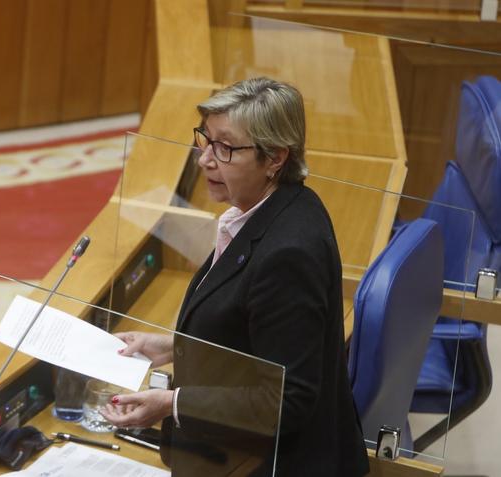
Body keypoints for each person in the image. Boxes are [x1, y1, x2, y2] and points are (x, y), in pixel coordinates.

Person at [100, 77, 369, 476]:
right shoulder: (277, 207)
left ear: (275, 157)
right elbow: (253, 332)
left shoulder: (289, 251)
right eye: (205, 140)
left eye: (225, 148)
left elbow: (285, 399)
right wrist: (173, 346)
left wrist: (171, 403)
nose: (205, 159)